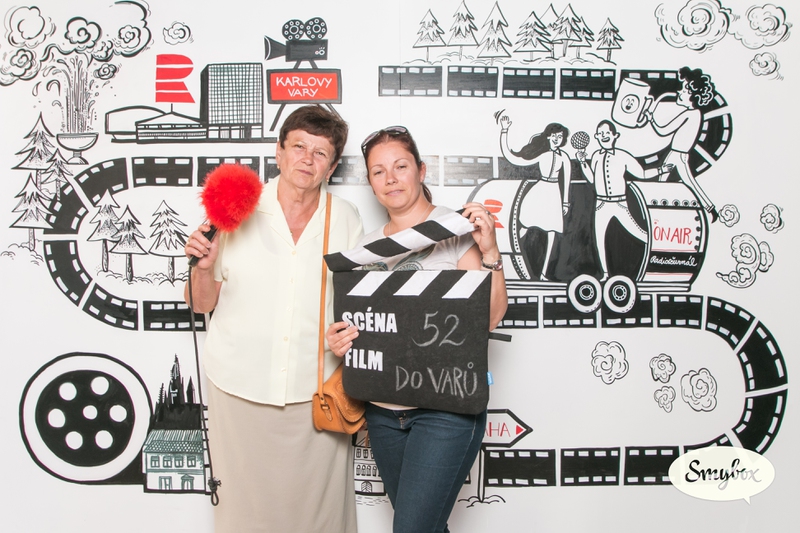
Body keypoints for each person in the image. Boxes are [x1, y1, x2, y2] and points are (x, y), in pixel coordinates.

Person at [184, 105, 363, 533]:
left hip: (314, 392)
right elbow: (200, 304)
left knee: (319, 516)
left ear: (332, 167)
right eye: (299, 146)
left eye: (320, 153)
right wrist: (203, 269)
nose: (307, 159)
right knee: (244, 515)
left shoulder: (345, 218)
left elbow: (356, 305)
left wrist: (346, 333)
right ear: (279, 152)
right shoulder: (234, 210)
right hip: (238, 387)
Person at [326, 126, 508, 533]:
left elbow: (491, 317)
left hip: (446, 409)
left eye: (401, 166)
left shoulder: (457, 230)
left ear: (421, 170)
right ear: (370, 182)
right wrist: (342, 340)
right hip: (384, 415)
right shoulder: (365, 249)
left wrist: (491, 251)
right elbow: (365, 328)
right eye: (378, 171)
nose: (390, 178)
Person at [578, 120, 672, 280]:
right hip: (601, 205)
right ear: (596, 136)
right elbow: (592, 179)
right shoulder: (595, 156)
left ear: (615, 135)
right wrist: (582, 162)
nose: (604, 136)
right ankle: (605, 274)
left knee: (639, 233)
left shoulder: (623, 156)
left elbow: (642, 174)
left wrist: (661, 170)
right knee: (599, 239)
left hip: (619, 203)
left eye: (607, 133)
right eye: (600, 133)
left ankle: (661, 255)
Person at [498, 117, 572, 280]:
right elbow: (513, 158)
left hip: (554, 195)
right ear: (548, 136)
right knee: (523, 226)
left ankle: (544, 273)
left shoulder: (564, 157)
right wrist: (504, 131)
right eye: (554, 136)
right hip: (539, 192)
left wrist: (565, 202)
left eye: (560, 136)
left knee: (552, 232)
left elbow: (566, 181)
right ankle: (506, 259)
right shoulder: (542, 155)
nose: (557, 139)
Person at [646, 66, 718, 222]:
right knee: (668, 182)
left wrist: (651, 118)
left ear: (693, 95)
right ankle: (708, 208)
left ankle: (660, 213)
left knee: (676, 183)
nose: (679, 92)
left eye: (684, 90)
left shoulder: (690, 114)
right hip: (677, 154)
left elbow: (663, 130)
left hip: (678, 155)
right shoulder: (696, 114)